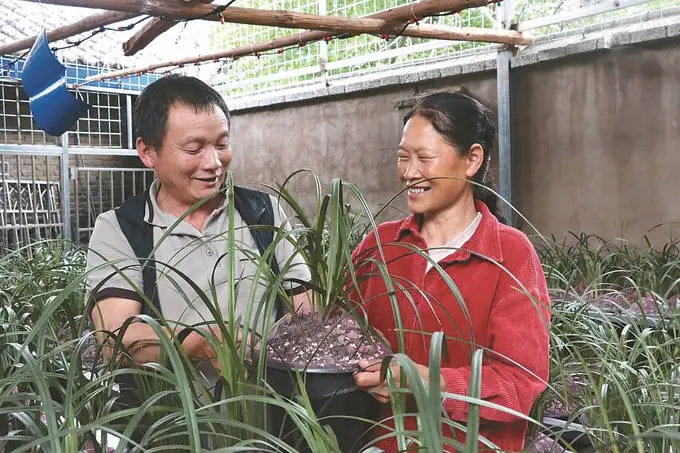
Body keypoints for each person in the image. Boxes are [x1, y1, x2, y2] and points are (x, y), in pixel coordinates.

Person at [351, 91, 551, 452]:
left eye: (424, 158)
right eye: (403, 157)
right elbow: (339, 335)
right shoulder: (380, 246)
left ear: (472, 159)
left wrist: (421, 380)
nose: (409, 172)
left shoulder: (510, 254)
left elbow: (519, 385)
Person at [86, 75, 310, 393]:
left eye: (222, 144)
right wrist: (201, 340)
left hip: (272, 415)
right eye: (194, 148)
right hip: (172, 425)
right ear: (148, 152)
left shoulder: (263, 212)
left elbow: (308, 308)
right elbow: (116, 339)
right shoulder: (121, 228)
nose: (214, 162)